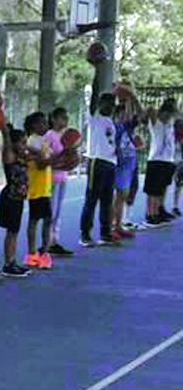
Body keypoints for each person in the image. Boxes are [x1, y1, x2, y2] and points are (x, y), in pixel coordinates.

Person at [79, 92, 119, 248]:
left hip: (111, 163)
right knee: (91, 199)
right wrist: (97, 72)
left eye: (112, 104)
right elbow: (94, 97)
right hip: (97, 162)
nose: (110, 107)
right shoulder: (94, 117)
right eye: (107, 104)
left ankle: (105, 233)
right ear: (100, 104)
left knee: (107, 200)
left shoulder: (111, 121)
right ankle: (85, 234)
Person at [22, 112, 56, 270]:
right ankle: (37, 254)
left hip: (44, 187)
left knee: (43, 220)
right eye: (42, 123)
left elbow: (47, 162)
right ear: (33, 126)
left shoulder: (41, 141)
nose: (46, 125)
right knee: (38, 220)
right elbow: (42, 164)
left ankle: (39, 252)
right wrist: (60, 157)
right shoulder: (33, 141)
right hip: (37, 188)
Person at [0, 127, 30, 278]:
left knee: (15, 231)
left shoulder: (22, 156)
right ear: (14, 143)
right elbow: (7, 144)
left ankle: (12, 261)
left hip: (18, 198)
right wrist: (5, 133)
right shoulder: (10, 156)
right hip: (10, 197)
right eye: (22, 143)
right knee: (11, 231)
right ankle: (8, 264)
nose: (25, 145)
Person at [142, 97, 179, 227]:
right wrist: (158, 111)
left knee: (161, 188)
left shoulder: (170, 123)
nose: (169, 117)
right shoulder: (155, 122)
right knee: (153, 190)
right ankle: (150, 215)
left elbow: (178, 114)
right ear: (162, 112)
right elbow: (149, 109)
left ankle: (157, 212)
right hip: (155, 160)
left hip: (168, 160)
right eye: (167, 114)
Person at [44, 107, 75, 255]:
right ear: (54, 119)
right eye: (62, 118)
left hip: (63, 177)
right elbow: (47, 159)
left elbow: (70, 156)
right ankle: (47, 242)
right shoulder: (49, 136)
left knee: (58, 212)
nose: (65, 121)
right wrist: (63, 156)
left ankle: (55, 240)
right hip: (52, 178)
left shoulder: (66, 135)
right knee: (51, 211)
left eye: (66, 118)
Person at [111, 92, 140, 237]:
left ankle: (118, 224)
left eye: (125, 114)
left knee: (123, 195)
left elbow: (135, 114)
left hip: (130, 162)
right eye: (121, 115)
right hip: (120, 163)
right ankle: (113, 226)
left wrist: (129, 97)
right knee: (118, 195)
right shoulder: (115, 128)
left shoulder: (129, 128)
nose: (125, 117)